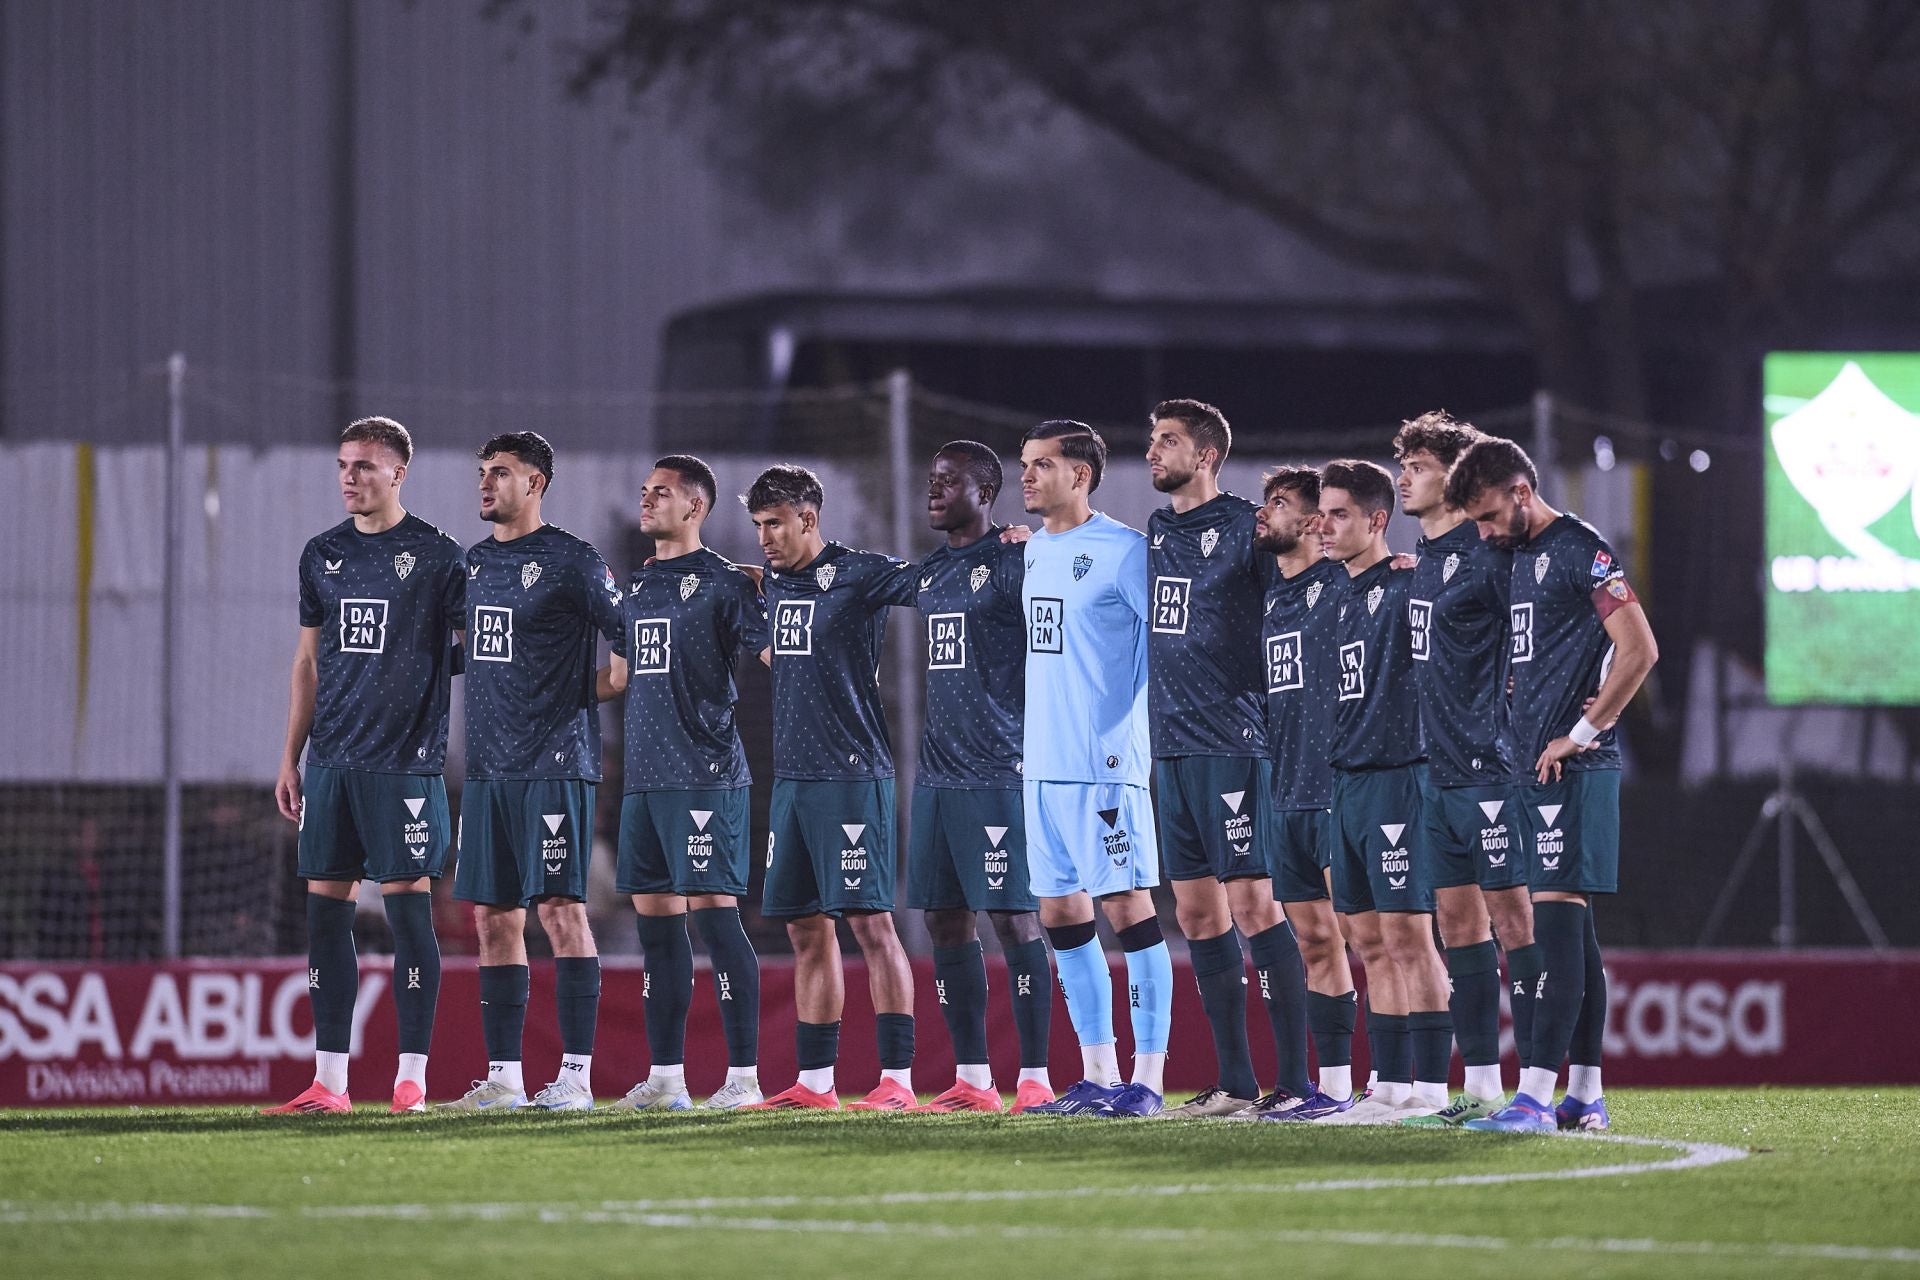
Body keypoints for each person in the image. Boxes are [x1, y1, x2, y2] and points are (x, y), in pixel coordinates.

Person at [1447, 437, 1659, 1134]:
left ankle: (1535, 1095)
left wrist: (1585, 731)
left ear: (1518, 491)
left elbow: (1640, 649)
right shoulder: (1517, 558)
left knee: (1558, 926)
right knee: (1575, 934)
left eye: (1484, 516)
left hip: (1574, 769)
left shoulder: (1580, 548)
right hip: (1532, 770)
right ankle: (1584, 1094)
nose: (1481, 532)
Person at [264, 416, 464, 1115]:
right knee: (325, 922)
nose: (351, 477)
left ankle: (412, 1076)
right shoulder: (321, 554)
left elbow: (477, 650)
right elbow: (308, 664)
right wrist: (291, 757)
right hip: (332, 765)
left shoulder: (440, 557)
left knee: (412, 920)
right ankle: (331, 1081)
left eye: (366, 467)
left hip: (405, 768)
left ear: (400, 473)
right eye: (344, 465)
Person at [439, 431, 626, 1113]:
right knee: (493, 919)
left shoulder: (574, 561)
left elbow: (635, 634)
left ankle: (575, 1076)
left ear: (536, 484)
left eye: (501, 473)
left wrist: (591, 689)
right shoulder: (476, 565)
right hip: (489, 771)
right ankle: (505, 1080)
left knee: (561, 910)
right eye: (482, 472)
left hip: (555, 767)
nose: (486, 484)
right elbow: (470, 655)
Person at [1144, 400, 1307, 1118]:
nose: (1152, 451)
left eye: (1168, 441)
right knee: (1197, 915)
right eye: (1151, 440)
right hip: (1170, 749)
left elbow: (1300, 595)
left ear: (1206, 455)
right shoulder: (1153, 531)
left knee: (1252, 903)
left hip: (1235, 743)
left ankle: (1298, 1080)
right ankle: (1235, 1082)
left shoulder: (1247, 529)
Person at [743, 465, 920, 1111]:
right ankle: (816, 1085)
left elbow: (934, 584)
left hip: (853, 775)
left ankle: (897, 1081)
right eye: (758, 525)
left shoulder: (861, 572)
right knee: (804, 931)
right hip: (792, 782)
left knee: (872, 926)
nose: (765, 536)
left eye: (775, 523)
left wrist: (1005, 549)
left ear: (808, 519)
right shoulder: (767, 588)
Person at [1016, 421, 1173, 1119]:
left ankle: (1150, 1078)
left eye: (1041, 465)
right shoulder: (1032, 552)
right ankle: (1098, 1074)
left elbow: (1168, 651)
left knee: (1129, 911)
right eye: (1025, 464)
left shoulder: (1123, 553)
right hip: (1041, 765)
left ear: (1080, 475)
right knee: (1059, 912)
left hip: (1104, 765)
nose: (1026, 476)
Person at [604, 456, 769, 1112]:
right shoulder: (634, 590)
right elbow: (617, 680)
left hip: (704, 779)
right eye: (644, 491)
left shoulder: (728, 586)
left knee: (718, 924)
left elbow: (773, 653)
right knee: (656, 932)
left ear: (695, 508)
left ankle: (745, 1079)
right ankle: (666, 1080)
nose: (647, 501)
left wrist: (784, 590)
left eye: (661, 493)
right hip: (643, 784)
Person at [1393, 412, 1538, 1126]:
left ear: (1452, 480)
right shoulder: (1423, 560)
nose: (1403, 476)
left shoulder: (1490, 558)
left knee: (1515, 921)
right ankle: (1480, 1083)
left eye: (1417, 466)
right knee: (1458, 924)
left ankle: (1541, 1085)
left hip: (1490, 767)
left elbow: (1546, 633)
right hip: (1436, 770)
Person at [906, 441, 1056, 1114]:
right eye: (931, 480)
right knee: (944, 919)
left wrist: (1043, 544)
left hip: (999, 767)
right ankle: (972, 1078)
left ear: (986, 491)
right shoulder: (932, 572)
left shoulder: (1016, 560)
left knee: (1015, 920)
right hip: (936, 775)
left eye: (948, 481)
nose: (934, 490)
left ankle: (1036, 1076)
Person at [1315, 459, 1454, 1126]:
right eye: (1323, 511)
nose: (1325, 524)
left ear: (1376, 520)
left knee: (1408, 935)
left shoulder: (1405, 589)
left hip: (1401, 777)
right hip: (1347, 782)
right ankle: (1391, 1085)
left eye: (1339, 513)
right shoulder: (1332, 596)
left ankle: (1431, 1085)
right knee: (1367, 940)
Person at [1250, 465, 1361, 1121]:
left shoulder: (1344, 585)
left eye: (1280, 504)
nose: (1265, 514)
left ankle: (1413, 1082)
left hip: (1334, 789)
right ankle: (1336, 1088)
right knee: (1317, 942)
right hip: (1283, 791)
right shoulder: (1270, 597)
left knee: (1371, 938)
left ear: (1317, 522)